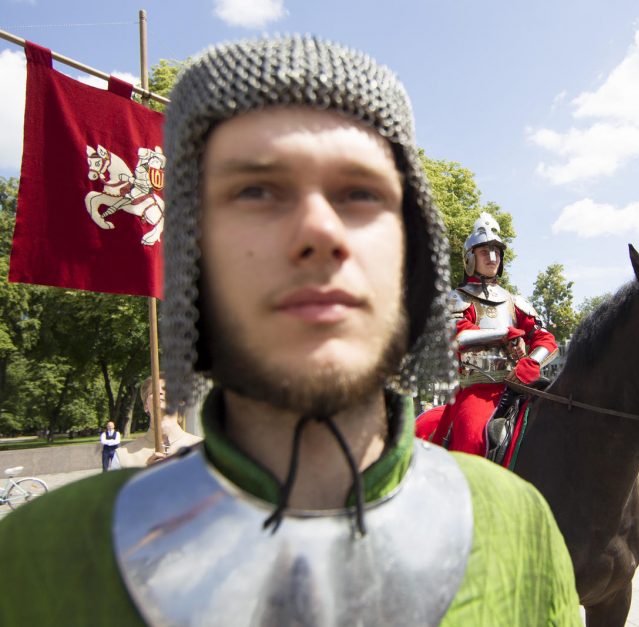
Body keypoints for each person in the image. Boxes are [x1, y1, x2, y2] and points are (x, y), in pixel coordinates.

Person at [0, 36, 581, 626]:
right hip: (468, 388)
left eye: (360, 193)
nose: (318, 231)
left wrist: (532, 358)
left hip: (511, 384)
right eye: (256, 191)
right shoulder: (32, 562)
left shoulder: (525, 531)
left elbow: (544, 337)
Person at [426, 212, 558, 465]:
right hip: (478, 388)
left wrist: (531, 362)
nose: (493, 257)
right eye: (485, 251)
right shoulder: (457, 299)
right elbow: (460, 335)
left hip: (520, 387)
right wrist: (505, 335)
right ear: (470, 257)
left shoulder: (515, 302)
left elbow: (546, 339)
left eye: (497, 252)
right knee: (474, 436)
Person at [115, 376, 203, 468]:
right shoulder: (122, 456)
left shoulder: (204, 450)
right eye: (153, 392)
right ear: (146, 406)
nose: (160, 392)